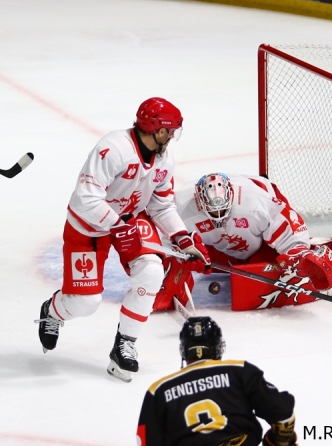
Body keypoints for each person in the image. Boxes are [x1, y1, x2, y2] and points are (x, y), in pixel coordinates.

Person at [35, 97, 211, 382]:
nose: (173, 137)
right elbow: (86, 198)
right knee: (86, 303)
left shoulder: (164, 159)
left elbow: (161, 205)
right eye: (171, 131)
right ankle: (53, 310)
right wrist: (117, 226)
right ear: (158, 130)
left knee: (152, 272)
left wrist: (184, 239)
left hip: (130, 218)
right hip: (88, 226)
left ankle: (124, 345)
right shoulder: (113, 149)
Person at [154, 172, 332, 312]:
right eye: (212, 212)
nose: (219, 217)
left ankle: (313, 252)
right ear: (199, 201)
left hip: (258, 235)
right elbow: (164, 238)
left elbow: (285, 223)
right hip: (221, 245)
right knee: (184, 259)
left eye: (223, 211)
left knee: (286, 256)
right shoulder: (181, 205)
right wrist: (183, 254)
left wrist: (297, 251)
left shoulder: (255, 201)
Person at [136, 316, 297, 446]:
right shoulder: (239, 370)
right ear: (218, 347)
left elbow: (145, 441)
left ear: (184, 351)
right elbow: (282, 412)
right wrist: (280, 442)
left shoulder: (158, 390)